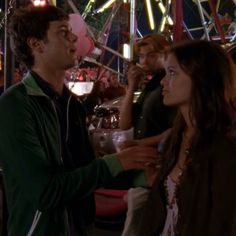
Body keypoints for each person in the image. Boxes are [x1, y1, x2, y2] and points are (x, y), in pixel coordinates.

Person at [0, 5, 158, 236]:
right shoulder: (14, 105)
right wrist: (117, 162)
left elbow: (84, 171)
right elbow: (44, 192)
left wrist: (139, 172)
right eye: (63, 31)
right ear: (36, 44)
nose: (74, 36)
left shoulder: (70, 104)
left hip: (80, 226)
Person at [130, 40, 236, 235]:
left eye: (172, 73)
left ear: (200, 78)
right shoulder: (177, 136)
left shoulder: (225, 147)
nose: (163, 81)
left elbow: (222, 222)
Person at [119, 33, 176, 146]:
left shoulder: (172, 84)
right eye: (141, 56)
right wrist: (131, 88)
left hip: (162, 155)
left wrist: (139, 144)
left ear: (166, 55)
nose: (144, 62)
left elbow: (178, 128)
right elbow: (125, 124)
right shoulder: (150, 86)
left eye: (151, 56)